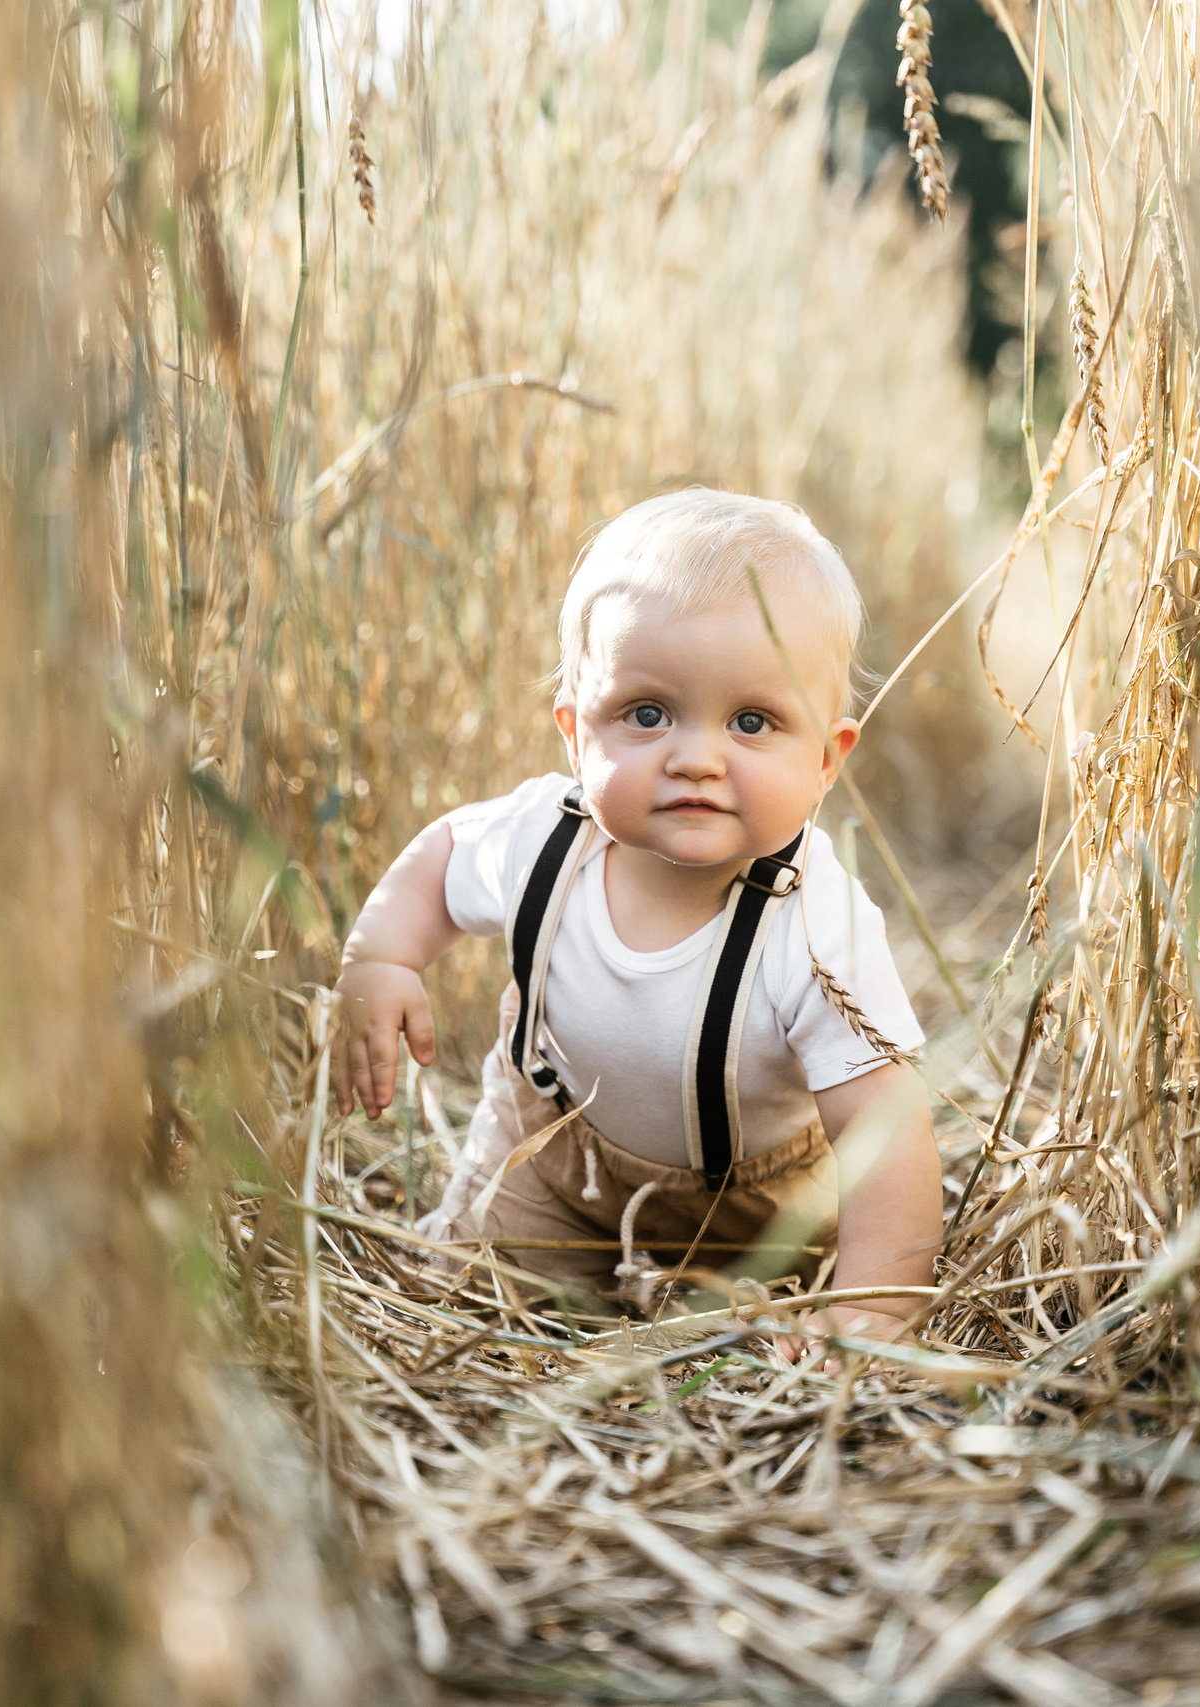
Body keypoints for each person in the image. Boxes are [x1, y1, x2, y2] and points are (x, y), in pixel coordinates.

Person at [328, 489, 942, 1348]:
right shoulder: (546, 840)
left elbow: (885, 1131)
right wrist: (383, 956)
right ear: (576, 735)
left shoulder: (815, 926)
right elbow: (440, 857)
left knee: (745, 1338)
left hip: (748, 1214)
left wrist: (874, 1308)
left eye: (753, 721)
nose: (695, 755)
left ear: (827, 759)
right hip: (547, 1152)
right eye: (647, 714)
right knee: (466, 1301)